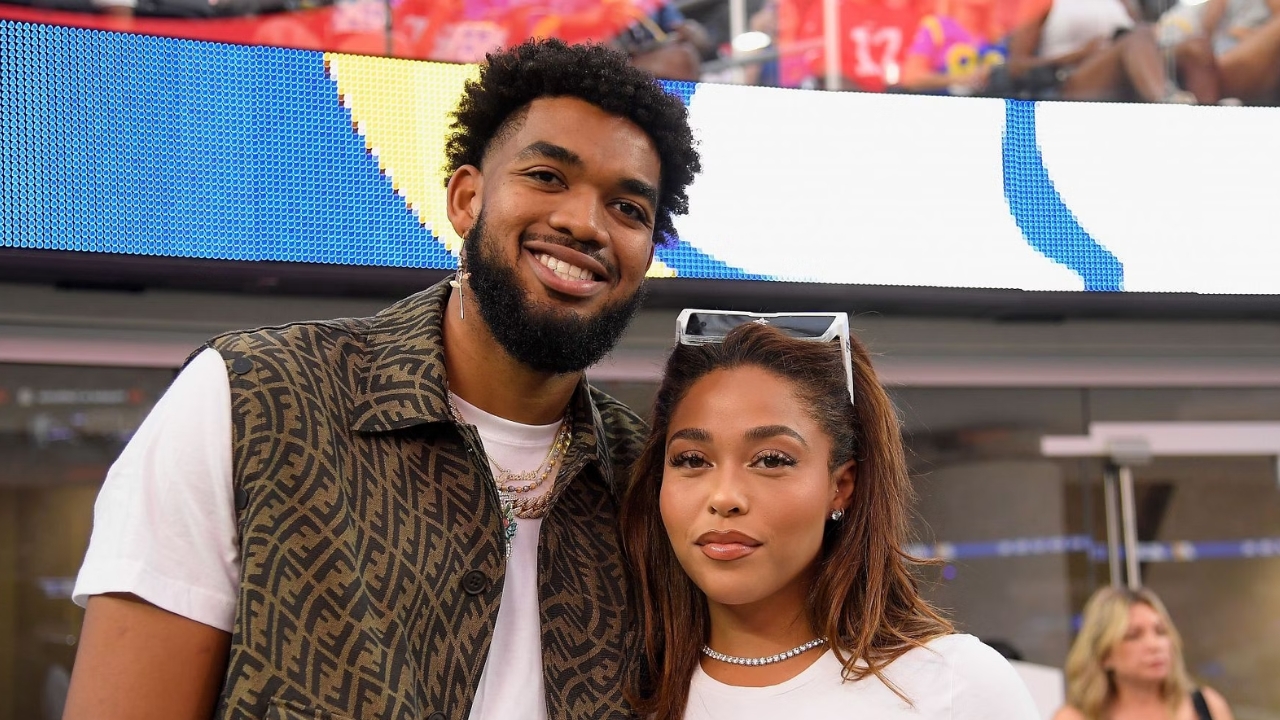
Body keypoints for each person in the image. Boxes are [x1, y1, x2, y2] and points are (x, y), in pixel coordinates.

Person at [62, 38, 701, 720]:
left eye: (629, 209)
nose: (584, 223)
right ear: (465, 198)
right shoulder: (252, 400)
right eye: (546, 176)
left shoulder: (656, 483)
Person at [619, 311, 1040, 718]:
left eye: (770, 460)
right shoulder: (612, 691)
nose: (725, 497)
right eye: (692, 459)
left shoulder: (952, 686)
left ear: (841, 486)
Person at [1053, 586, 1235, 720]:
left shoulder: (1209, 705)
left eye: (1161, 631)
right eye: (1133, 636)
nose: (1155, 645)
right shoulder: (1073, 717)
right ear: (1104, 655)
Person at [1005, 0, 1216, 103]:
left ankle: (1210, 116)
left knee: (1195, 46)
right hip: (1070, 81)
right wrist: (1077, 55)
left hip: (1128, 72)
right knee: (1136, 39)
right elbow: (1015, 66)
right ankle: (1169, 103)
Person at [1161, 0, 1280, 105]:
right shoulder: (1195, 11)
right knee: (1195, 49)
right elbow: (1164, 34)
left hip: (1256, 61)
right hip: (1215, 57)